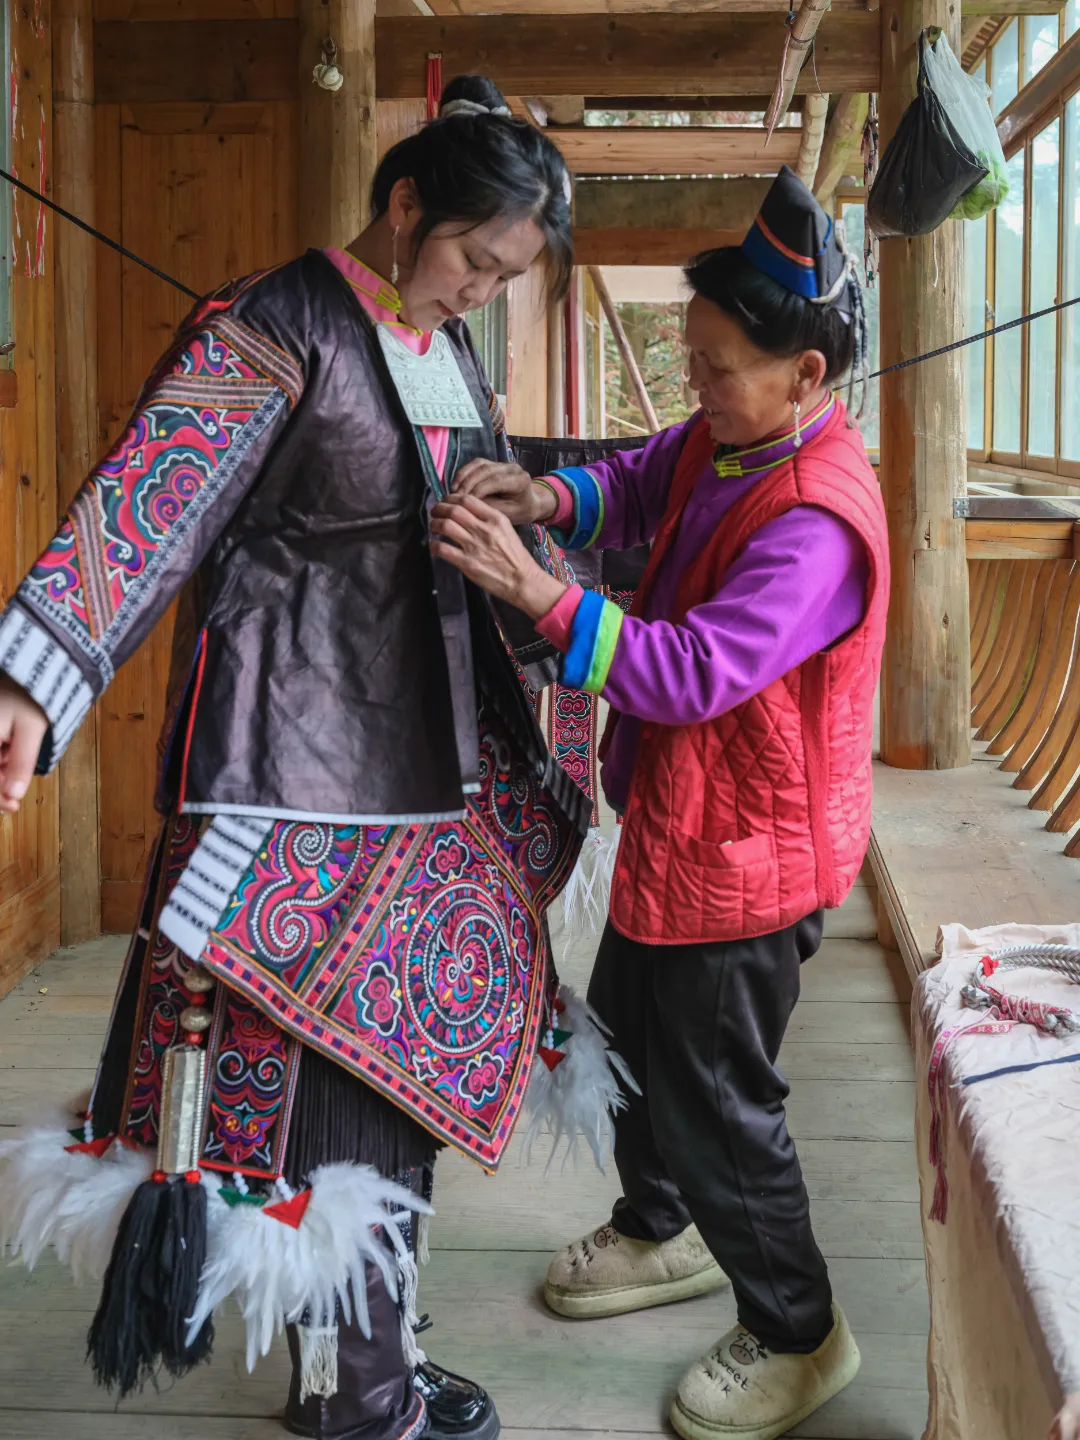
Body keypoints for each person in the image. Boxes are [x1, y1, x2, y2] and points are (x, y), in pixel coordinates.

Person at [0, 75, 615, 1440]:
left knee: (397, 1085)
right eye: (471, 259)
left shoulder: (446, 349)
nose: (479, 290)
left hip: (430, 776)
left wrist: (518, 497)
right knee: (326, 1104)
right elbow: (153, 491)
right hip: (289, 775)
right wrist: (35, 677)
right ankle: (357, 1399)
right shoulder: (275, 322)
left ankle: (370, 1366)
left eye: (504, 275)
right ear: (404, 207)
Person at [429, 165, 890, 1440]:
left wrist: (540, 592)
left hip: (753, 860)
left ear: (807, 374)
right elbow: (641, 478)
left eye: (718, 367)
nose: (697, 385)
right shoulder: (734, 437)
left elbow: (690, 673)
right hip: (690, 830)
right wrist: (545, 496)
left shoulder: (817, 519)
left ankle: (799, 1330)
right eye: (690, 357)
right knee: (629, 1034)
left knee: (721, 1103)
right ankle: (660, 1226)